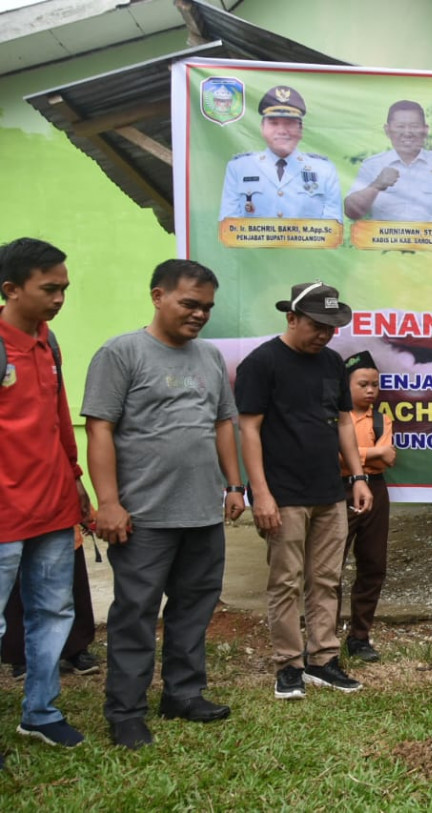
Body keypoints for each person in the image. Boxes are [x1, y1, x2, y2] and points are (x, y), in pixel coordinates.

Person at [82, 259, 246, 750]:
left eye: (207, 307)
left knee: (194, 610)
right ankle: (126, 712)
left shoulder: (210, 357)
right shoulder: (121, 352)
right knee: (135, 613)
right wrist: (107, 502)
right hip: (144, 515)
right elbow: (99, 428)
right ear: (158, 296)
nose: (199, 314)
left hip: (201, 511)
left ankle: (184, 694)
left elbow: (223, 423)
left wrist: (234, 487)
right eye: (189, 303)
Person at [235, 281, 373, 701]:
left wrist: (358, 476)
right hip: (284, 494)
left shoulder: (332, 362)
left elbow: (345, 422)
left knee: (327, 579)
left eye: (331, 327)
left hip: (329, 492)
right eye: (316, 325)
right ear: (291, 318)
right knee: (285, 582)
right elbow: (249, 429)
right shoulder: (262, 363)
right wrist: (259, 493)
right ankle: (289, 665)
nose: (325, 335)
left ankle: (323, 660)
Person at [0, 237, 91, 758]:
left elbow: (59, 420)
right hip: (5, 514)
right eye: (49, 289)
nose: (59, 298)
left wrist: (75, 481)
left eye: (64, 289)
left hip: (53, 508)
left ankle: (41, 712)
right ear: (11, 289)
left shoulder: (48, 342)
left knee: (52, 612)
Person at [337, 350, 395, 662]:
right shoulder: (335, 417)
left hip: (376, 489)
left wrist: (353, 453)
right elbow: (334, 456)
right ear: (346, 387)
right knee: (329, 567)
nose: (370, 390)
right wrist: (369, 452)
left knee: (373, 565)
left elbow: (388, 457)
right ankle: (324, 638)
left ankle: (359, 637)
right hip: (338, 492)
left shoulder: (381, 418)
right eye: (363, 384)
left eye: (374, 384)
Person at [219, 86, 341, 221]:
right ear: (262, 128)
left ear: (301, 129)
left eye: (289, 123)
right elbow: (229, 226)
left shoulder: (324, 170)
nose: (282, 131)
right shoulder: (239, 168)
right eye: (274, 123)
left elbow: (333, 229)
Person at [344, 100, 432, 223]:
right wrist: (376, 185)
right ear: (387, 130)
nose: (407, 133)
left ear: (425, 130)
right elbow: (352, 212)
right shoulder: (372, 165)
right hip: (386, 244)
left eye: (414, 126)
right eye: (400, 127)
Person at [2, 524, 99, 679]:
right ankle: (21, 656)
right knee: (14, 580)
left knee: (68, 578)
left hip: (57, 513)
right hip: (10, 516)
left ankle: (75, 649)